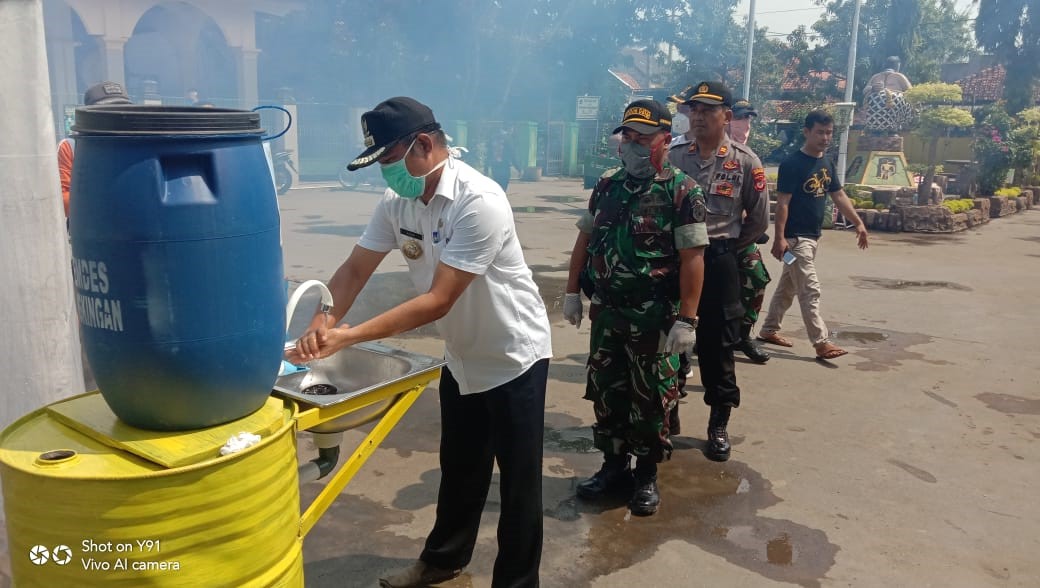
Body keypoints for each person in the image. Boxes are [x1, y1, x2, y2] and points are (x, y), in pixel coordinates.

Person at [286, 97, 552, 588]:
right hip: (463, 356)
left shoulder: (480, 201)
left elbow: (438, 300)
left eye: (389, 161)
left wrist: (349, 336)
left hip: (514, 356)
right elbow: (355, 268)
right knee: (460, 467)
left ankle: (517, 583)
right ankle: (442, 561)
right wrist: (325, 317)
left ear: (424, 145)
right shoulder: (398, 202)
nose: (385, 174)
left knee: (518, 485)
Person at [563, 99, 707, 516]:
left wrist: (688, 319)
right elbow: (584, 240)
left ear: (666, 139)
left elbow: (693, 258)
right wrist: (572, 292)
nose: (633, 145)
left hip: (654, 315)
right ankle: (612, 465)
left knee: (652, 398)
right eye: (628, 136)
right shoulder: (607, 184)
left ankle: (645, 473)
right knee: (607, 390)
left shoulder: (682, 189)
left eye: (643, 138)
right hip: (607, 312)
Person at [667, 81, 770, 462]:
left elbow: (758, 223)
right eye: (693, 109)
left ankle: (718, 424)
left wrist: (725, 251)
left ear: (726, 115)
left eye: (707, 110)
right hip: (675, 262)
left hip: (720, 260)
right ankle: (668, 411)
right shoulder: (675, 156)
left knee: (718, 346)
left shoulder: (745, 162)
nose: (697, 116)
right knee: (669, 341)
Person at [756, 110, 869, 361]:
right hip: (796, 241)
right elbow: (783, 203)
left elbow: (839, 196)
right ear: (807, 132)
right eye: (820, 132)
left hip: (812, 238)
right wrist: (779, 238)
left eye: (829, 133)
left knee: (789, 286)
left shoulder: (826, 163)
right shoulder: (792, 164)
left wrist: (858, 223)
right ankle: (821, 342)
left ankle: (768, 330)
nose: (825, 138)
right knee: (809, 288)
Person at [725, 98, 772, 364]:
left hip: (741, 238)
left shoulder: (749, 157)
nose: (745, 125)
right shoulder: (710, 151)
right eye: (741, 118)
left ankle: (742, 335)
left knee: (756, 279)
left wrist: (752, 230)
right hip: (709, 236)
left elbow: (757, 204)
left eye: (749, 120)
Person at [57, 81, 131, 218]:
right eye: (106, 111)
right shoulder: (70, 147)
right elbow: (63, 201)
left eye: (122, 110)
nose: (115, 116)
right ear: (89, 114)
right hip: (92, 227)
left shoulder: (137, 143)